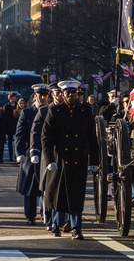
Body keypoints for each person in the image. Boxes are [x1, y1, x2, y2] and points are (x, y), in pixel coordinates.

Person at [42, 80, 99, 240]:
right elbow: (46, 137)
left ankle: (76, 227)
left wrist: (94, 161)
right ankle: (55, 224)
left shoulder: (85, 111)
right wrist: (49, 160)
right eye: (68, 93)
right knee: (58, 195)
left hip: (78, 159)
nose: (72, 96)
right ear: (63, 95)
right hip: (60, 159)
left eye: (74, 93)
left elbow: (91, 138)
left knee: (76, 195)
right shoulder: (55, 111)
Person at [15, 84, 50, 225]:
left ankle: (46, 213)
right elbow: (19, 135)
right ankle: (30, 215)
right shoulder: (27, 113)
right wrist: (19, 153)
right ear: (35, 96)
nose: (42, 98)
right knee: (30, 187)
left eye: (45, 95)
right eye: (39, 95)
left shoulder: (50, 112)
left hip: (46, 153)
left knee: (47, 186)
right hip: (30, 154)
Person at [31, 86, 63, 231]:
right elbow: (36, 133)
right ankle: (49, 219)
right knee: (48, 190)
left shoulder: (69, 111)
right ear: (53, 94)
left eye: (62, 93)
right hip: (48, 155)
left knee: (63, 189)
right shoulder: (44, 111)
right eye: (57, 93)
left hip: (63, 156)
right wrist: (35, 152)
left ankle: (62, 220)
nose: (60, 95)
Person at [4, 92, 20, 162]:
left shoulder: (17, 106)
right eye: (13, 97)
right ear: (10, 98)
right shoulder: (6, 107)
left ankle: (16, 155)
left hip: (16, 126)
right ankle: (10, 156)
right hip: (9, 126)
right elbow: (5, 118)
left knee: (17, 142)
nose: (15, 98)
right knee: (10, 142)